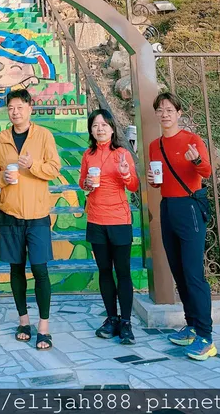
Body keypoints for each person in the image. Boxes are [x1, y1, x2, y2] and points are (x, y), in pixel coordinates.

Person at [0, 89, 61, 350]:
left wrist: (32, 167)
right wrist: (1, 179)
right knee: (16, 269)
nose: (15, 112)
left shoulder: (43, 136)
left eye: (19, 107)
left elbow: (54, 169)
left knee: (40, 270)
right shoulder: (1, 139)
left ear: (30, 107)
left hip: (38, 214)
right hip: (10, 214)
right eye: (11, 108)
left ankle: (43, 326)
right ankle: (23, 320)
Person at [148, 91, 215, 361]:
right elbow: (158, 180)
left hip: (189, 207)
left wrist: (195, 160)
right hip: (167, 206)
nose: (164, 114)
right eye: (160, 110)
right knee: (178, 269)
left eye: (169, 110)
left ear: (179, 113)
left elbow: (207, 171)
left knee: (193, 272)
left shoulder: (191, 139)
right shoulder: (155, 145)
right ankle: (190, 325)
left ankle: (206, 336)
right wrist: (154, 181)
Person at [79, 108, 139, 344]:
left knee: (122, 271)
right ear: (91, 131)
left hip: (119, 220)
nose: (100, 129)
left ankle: (126, 322)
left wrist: (125, 174)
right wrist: (87, 183)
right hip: (95, 220)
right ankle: (111, 318)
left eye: (104, 124)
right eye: (95, 125)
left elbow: (133, 186)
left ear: (112, 128)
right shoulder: (87, 155)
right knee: (104, 272)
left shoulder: (122, 153)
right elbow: (82, 183)